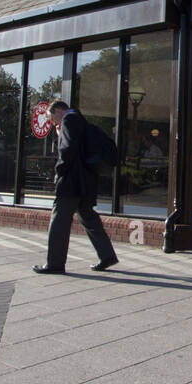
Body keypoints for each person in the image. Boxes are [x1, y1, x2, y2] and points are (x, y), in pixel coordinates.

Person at [33, 99, 119, 273]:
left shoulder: (69, 121)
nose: (52, 123)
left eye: (51, 119)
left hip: (71, 182)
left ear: (58, 111)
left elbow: (67, 151)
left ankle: (55, 264)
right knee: (88, 217)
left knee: (59, 221)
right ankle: (107, 255)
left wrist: (59, 172)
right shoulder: (83, 122)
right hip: (87, 182)